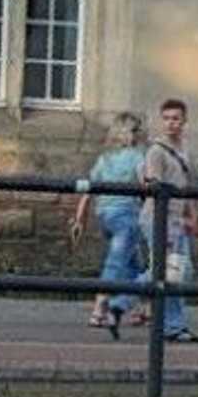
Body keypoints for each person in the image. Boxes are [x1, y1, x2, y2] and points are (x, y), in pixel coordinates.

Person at [116, 97, 198, 343]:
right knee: (166, 271)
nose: (171, 123)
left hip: (177, 219)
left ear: (184, 121)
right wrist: (168, 221)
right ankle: (122, 303)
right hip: (158, 217)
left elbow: (188, 187)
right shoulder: (157, 151)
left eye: (176, 118)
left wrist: (192, 216)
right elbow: (155, 186)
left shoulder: (185, 149)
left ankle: (171, 325)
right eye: (166, 119)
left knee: (176, 272)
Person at [70, 112, 148, 335]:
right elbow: (145, 186)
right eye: (137, 130)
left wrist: (79, 220)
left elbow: (88, 191)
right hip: (127, 216)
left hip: (105, 216)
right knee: (115, 264)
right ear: (132, 133)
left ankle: (142, 309)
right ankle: (99, 309)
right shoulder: (137, 156)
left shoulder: (104, 159)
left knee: (133, 265)